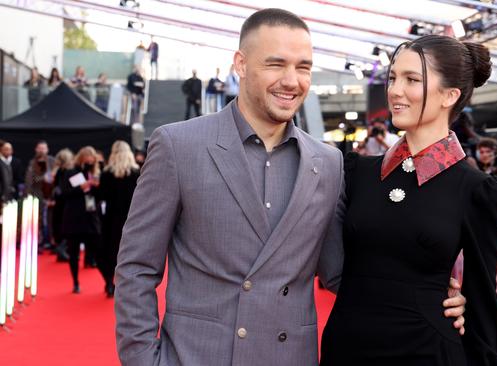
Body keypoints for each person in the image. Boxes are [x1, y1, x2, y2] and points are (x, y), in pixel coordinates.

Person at [115, 9, 466, 366]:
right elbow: (136, 265)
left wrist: (434, 295)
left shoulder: (328, 163)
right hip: (196, 356)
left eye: (303, 67)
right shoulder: (179, 145)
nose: (291, 80)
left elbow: (341, 272)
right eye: (275, 64)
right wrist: (144, 360)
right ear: (241, 63)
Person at [320, 35, 497, 365]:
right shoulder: (356, 172)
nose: (395, 90)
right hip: (347, 346)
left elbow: (482, 305)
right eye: (393, 78)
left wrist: (463, 301)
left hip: (426, 351)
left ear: (449, 96)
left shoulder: (476, 190)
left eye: (412, 80)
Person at [98, 141, 139, 298]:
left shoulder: (107, 174)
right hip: (131, 217)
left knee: (110, 250)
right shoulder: (136, 173)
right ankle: (128, 284)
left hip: (111, 217)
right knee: (129, 252)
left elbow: (101, 196)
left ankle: (110, 282)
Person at [61, 146, 102, 293]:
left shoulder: (95, 172)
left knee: (98, 249)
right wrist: (82, 187)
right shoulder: (72, 172)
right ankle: (75, 282)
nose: (90, 162)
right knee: (74, 253)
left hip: (90, 216)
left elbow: (99, 195)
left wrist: (97, 186)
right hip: (74, 217)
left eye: (92, 160)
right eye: (87, 159)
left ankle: (109, 281)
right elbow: (65, 192)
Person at [25, 141, 56, 248]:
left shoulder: (52, 161)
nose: (42, 150)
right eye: (40, 148)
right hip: (37, 195)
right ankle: (39, 241)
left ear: (47, 150)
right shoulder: (32, 163)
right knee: (38, 220)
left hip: (51, 195)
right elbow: (30, 181)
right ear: (36, 149)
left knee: (51, 219)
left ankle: (52, 240)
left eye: (44, 148)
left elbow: (56, 178)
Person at [51, 148, 75, 263]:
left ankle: (61, 248)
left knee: (59, 225)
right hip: (66, 202)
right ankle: (62, 248)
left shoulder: (56, 171)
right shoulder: (70, 171)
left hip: (58, 202)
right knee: (66, 226)